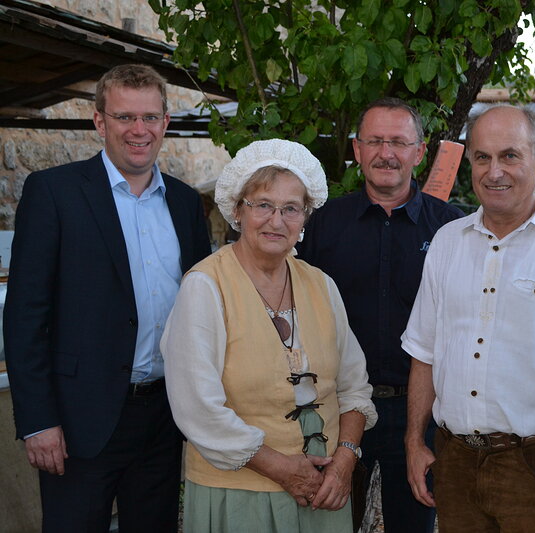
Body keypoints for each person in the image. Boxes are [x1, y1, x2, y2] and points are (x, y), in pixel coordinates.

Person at [3, 64, 211, 532]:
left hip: (163, 419)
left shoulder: (184, 202)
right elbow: (24, 317)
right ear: (99, 121)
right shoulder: (53, 193)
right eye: (124, 117)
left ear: (165, 123)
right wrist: (38, 421)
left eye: (151, 117)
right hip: (79, 422)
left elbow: (201, 308)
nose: (139, 130)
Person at [401, 104, 535, 533]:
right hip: (456, 463)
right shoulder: (447, 242)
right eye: (482, 157)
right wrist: (414, 441)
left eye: (510, 156)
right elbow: (424, 353)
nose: (494, 171)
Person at [160, 139, 377, 533]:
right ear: (238, 210)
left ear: (305, 218)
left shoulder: (321, 285)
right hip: (239, 497)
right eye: (263, 205)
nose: (276, 221)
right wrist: (284, 469)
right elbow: (198, 409)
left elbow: (354, 387)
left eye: (291, 208)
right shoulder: (206, 286)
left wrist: (344, 462)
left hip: (323, 493)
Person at [295, 97, 463, 532]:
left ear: (420, 152)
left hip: (421, 410)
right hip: (338, 406)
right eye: (375, 141)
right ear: (357, 149)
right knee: (328, 520)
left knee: (415, 523)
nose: (386, 153)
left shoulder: (453, 229)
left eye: (398, 142)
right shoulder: (322, 225)